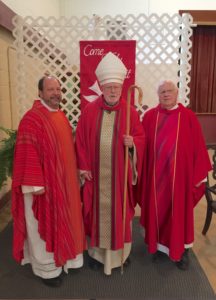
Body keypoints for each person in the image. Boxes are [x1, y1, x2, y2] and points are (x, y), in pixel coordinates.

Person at [12, 76, 86, 287]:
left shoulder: (60, 116)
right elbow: (26, 151)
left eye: (58, 89)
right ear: (40, 93)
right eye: (50, 89)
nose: (56, 93)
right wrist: (35, 185)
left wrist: (75, 173)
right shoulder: (31, 119)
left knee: (66, 221)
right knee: (40, 227)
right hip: (41, 189)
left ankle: (66, 259)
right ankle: (47, 270)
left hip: (63, 184)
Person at [75, 52, 145, 275]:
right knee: (96, 215)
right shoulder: (88, 111)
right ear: (102, 88)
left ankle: (120, 255)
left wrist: (133, 143)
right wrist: (84, 166)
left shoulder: (129, 113)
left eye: (116, 87)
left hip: (119, 178)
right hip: (96, 177)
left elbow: (141, 139)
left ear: (121, 88)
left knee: (120, 216)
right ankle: (97, 255)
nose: (113, 91)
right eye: (109, 87)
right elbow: (81, 142)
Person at [139, 80, 212, 270]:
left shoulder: (188, 117)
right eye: (162, 91)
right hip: (156, 181)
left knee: (179, 215)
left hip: (179, 181)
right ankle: (159, 248)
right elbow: (140, 144)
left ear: (176, 93)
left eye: (169, 91)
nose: (166, 94)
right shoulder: (149, 117)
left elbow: (198, 148)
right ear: (158, 95)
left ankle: (182, 252)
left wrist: (198, 177)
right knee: (158, 212)